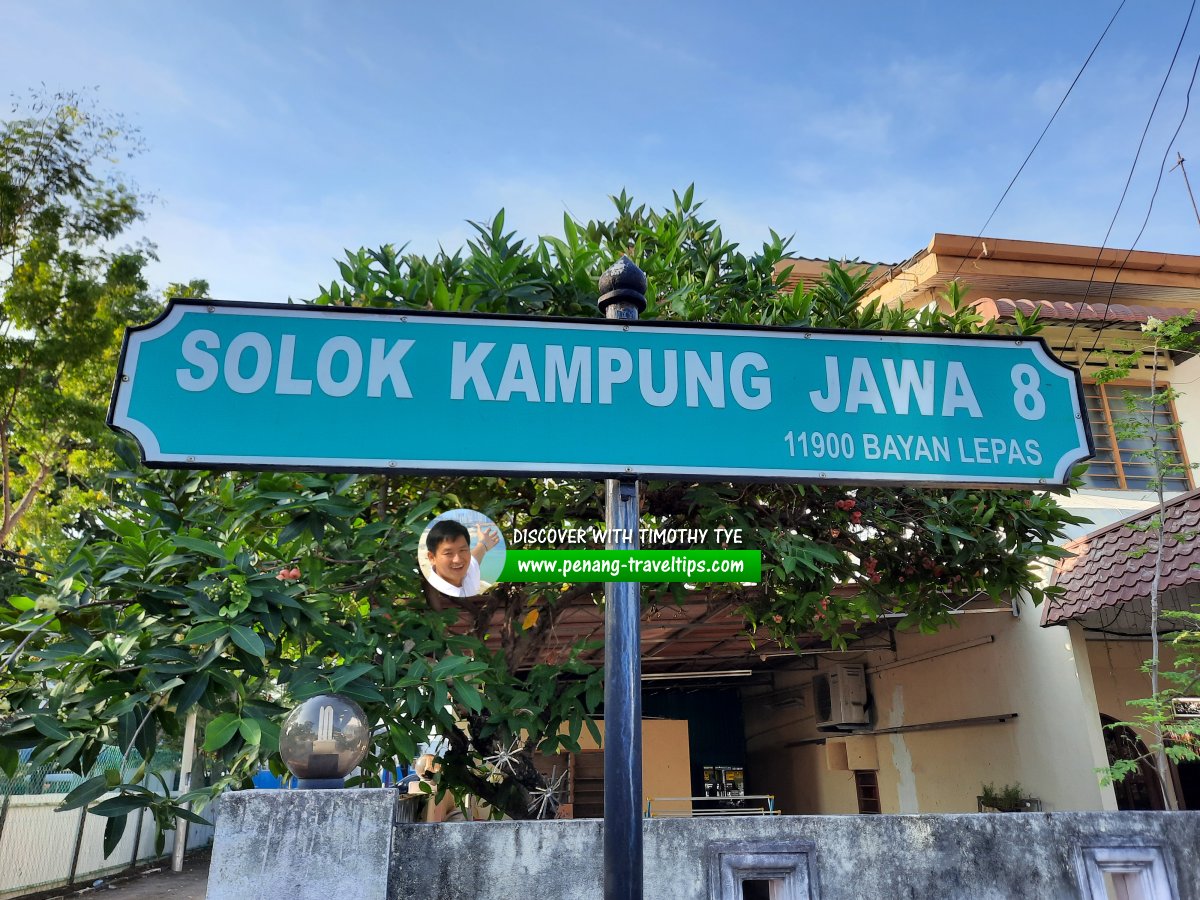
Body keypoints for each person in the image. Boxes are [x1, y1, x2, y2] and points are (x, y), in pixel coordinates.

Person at [424, 518, 500, 597]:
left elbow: (475, 558)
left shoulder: (468, 571)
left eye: (462, 550)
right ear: (432, 558)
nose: (458, 560)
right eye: (448, 553)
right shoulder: (434, 595)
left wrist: (483, 544)